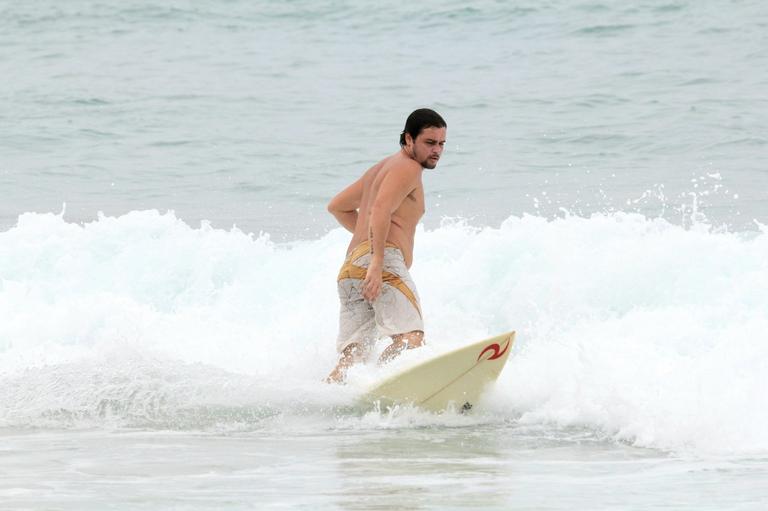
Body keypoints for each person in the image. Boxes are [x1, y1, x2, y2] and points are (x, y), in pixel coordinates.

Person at [325, 108, 447, 383]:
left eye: (441, 143)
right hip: (380, 265)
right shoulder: (408, 167)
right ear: (408, 139)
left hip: (351, 270)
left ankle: (333, 397)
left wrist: (367, 244)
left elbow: (337, 207)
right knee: (410, 337)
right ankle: (391, 385)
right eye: (429, 142)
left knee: (353, 356)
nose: (437, 150)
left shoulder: (379, 170)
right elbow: (380, 210)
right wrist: (377, 262)